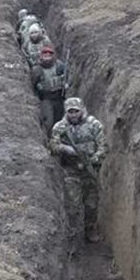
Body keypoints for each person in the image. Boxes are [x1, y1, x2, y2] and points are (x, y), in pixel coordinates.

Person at [50, 97, 106, 243]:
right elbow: (53, 146)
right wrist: (64, 148)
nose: (73, 115)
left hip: (90, 171)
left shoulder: (94, 125)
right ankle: (73, 237)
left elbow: (103, 148)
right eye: (70, 112)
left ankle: (90, 229)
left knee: (91, 204)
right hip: (71, 171)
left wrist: (93, 159)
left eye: (76, 111)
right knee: (73, 207)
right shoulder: (60, 128)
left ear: (82, 110)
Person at [31, 46, 67, 136]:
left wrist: (64, 84)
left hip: (59, 97)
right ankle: (48, 139)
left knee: (59, 121)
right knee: (48, 122)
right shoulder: (37, 70)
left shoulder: (59, 66)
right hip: (46, 99)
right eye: (45, 55)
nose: (47, 58)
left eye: (49, 55)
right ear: (41, 57)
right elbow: (33, 85)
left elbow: (66, 76)